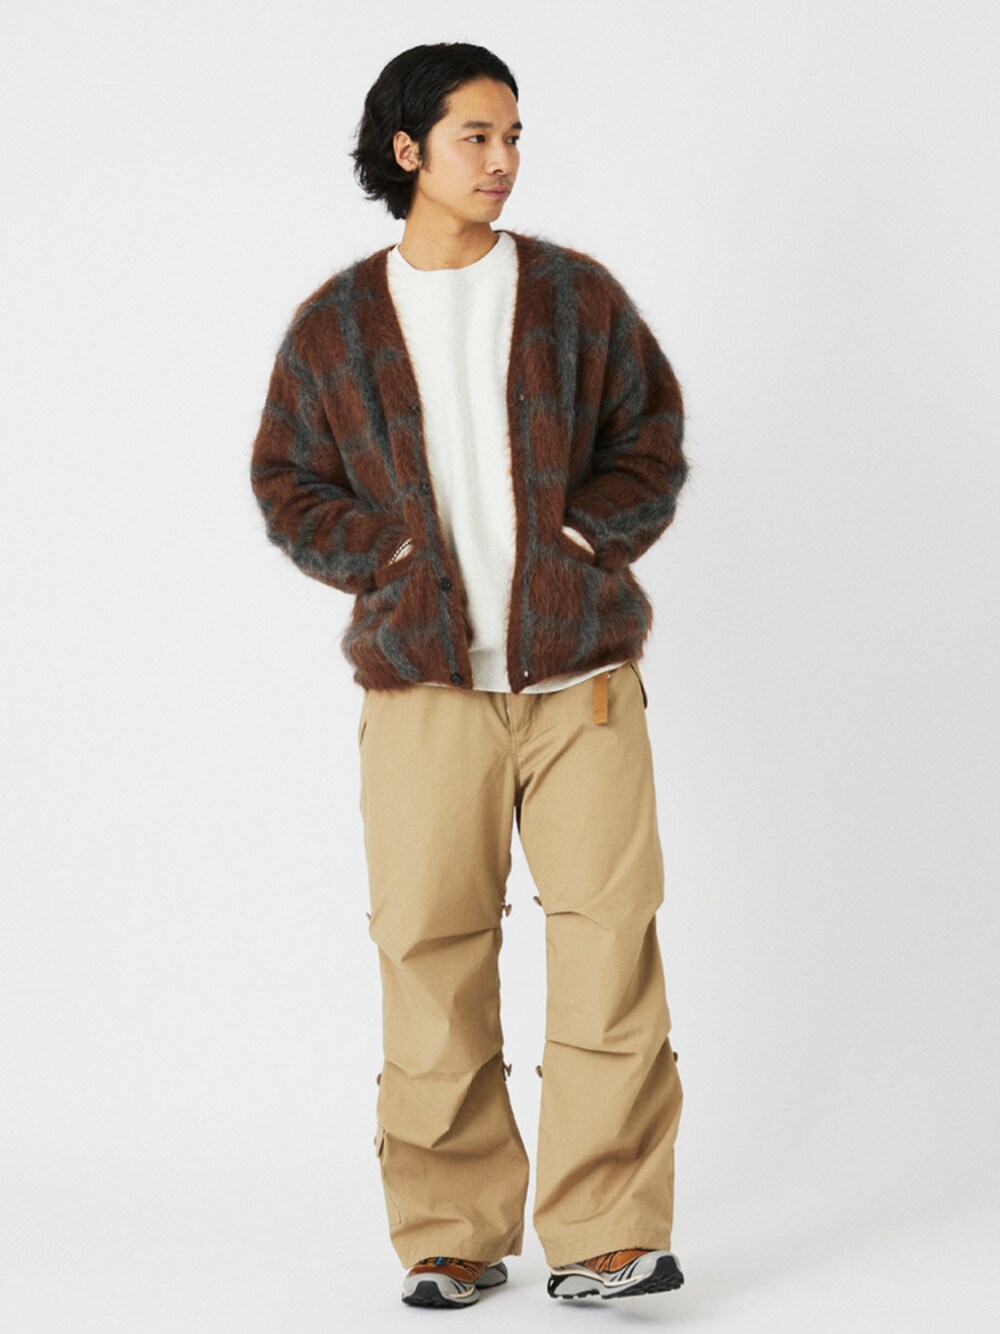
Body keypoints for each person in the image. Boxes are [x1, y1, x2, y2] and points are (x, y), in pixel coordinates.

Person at [249, 41, 690, 1309]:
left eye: (513, 136)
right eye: (476, 137)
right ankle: (451, 1229)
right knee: (429, 950)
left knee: (608, 947)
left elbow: (648, 439)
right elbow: (289, 479)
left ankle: (608, 1231)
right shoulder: (338, 323)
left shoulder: (572, 297)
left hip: (580, 683)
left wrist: (582, 538)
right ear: (409, 151)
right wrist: (385, 554)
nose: (503, 160)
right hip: (421, 690)